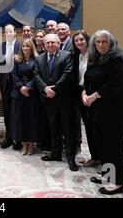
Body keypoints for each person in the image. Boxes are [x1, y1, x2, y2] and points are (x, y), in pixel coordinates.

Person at [82, 30, 123, 195]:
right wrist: (84, 94)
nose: (101, 45)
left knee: (113, 147)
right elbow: (87, 80)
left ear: (111, 43)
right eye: (98, 42)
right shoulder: (94, 59)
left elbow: (114, 84)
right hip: (96, 110)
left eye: (104, 42)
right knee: (102, 146)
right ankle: (108, 175)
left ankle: (119, 183)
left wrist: (93, 96)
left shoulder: (117, 60)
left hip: (113, 111)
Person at [33, 33, 77, 171]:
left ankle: (71, 158)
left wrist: (55, 89)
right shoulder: (39, 58)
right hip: (48, 99)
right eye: (48, 43)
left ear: (58, 43)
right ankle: (55, 153)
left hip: (64, 99)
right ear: (44, 45)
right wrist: (45, 88)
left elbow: (68, 74)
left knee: (68, 130)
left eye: (53, 42)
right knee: (54, 127)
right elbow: (36, 74)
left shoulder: (66, 55)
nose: (50, 45)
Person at [72, 31, 99, 166]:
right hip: (79, 93)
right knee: (87, 126)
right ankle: (95, 157)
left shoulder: (94, 55)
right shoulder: (76, 56)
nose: (79, 42)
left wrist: (89, 93)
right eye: (76, 40)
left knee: (96, 127)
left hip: (92, 94)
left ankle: (103, 158)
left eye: (81, 39)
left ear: (87, 40)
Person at [0, 24, 21, 150]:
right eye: (6, 32)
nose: (9, 34)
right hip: (5, 83)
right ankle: (9, 137)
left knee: (17, 112)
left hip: (18, 84)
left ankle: (18, 139)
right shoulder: (0, 46)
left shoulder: (21, 45)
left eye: (11, 31)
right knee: (6, 112)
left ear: (15, 32)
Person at [11, 39, 38, 156]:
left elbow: (37, 75)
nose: (25, 48)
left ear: (31, 47)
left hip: (31, 94)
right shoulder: (17, 60)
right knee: (20, 119)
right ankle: (24, 144)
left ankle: (31, 144)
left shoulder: (37, 59)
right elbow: (14, 75)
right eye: (23, 46)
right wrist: (21, 88)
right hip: (19, 93)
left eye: (28, 46)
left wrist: (28, 87)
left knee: (31, 120)